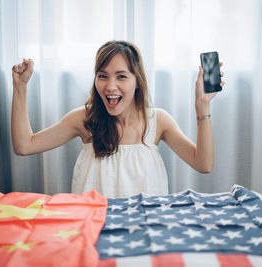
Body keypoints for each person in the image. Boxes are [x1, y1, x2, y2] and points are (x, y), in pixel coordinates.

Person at [11, 40, 224, 198]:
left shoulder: (158, 121)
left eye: (121, 76)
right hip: (94, 227)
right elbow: (24, 145)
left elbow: (203, 163)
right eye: (102, 76)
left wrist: (202, 105)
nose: (110, 86)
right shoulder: (84, 120)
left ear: (137, 81)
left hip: (145, 228)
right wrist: (20, 88)